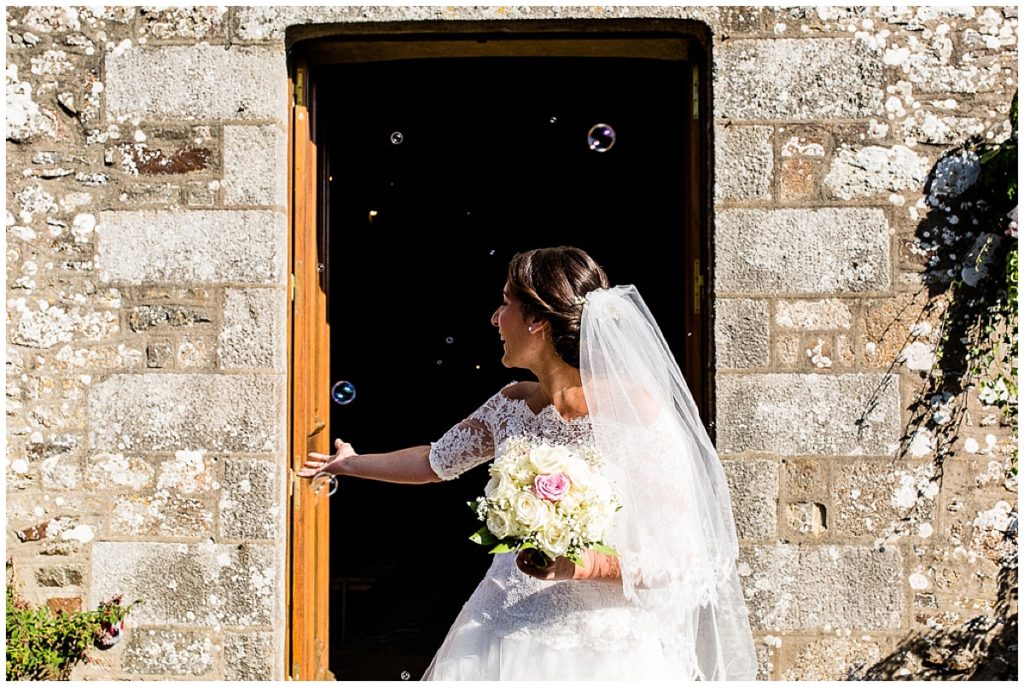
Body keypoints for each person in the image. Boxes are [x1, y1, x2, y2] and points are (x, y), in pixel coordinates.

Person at [299, 246, 757, 680]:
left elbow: (684, 557)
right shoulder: (510, 403)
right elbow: (433, 461)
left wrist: (583, 566)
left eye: (505, 303)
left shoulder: (636, 414)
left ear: (537, 318)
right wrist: (351, 463)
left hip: (604, 649)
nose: (495, 318)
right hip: (498, 625)